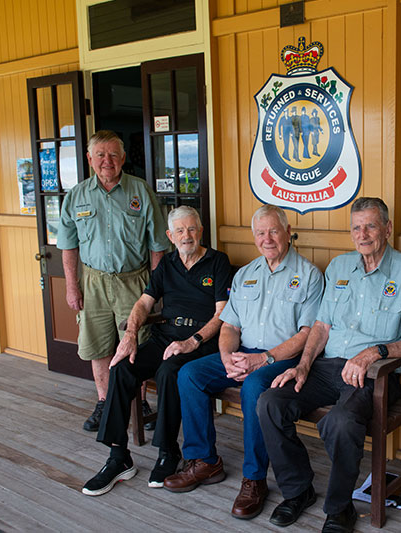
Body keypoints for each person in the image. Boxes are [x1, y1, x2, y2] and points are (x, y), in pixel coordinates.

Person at [257, 198, 401, 533]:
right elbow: (321, 326)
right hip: (327, 367)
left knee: (340, 422)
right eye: (356, 227)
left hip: (376, 376)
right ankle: (298, 491)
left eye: (370, 226)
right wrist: (303, 366)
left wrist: (375, 353)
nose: (362, 234)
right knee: (269, 403)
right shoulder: (339, 267)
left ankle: (339, 509)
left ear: (387, 229)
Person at [163, 205, 324, 520]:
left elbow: (308, 333)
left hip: (281, 357)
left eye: (274, 231)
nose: (268, 239)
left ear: (288, 232)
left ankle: (254, 479)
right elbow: (230, 326)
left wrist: (261, 359)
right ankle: (203, 461)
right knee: (190, 374)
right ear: (254, 237)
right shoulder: (247, 274)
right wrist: (226, 357)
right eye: (261, 233)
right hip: (243, 353)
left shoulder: (308, 275)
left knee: (253, 387)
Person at [81, 206, 232, 495]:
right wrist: (130, 335)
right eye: (180, 231)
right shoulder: (166, 265)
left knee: (168, 371)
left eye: (191, 229)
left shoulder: (217, 262)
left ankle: (168, 450)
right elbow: (143, 303)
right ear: (170, 236)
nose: (186, 235)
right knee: (121, 367)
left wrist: (192, 341)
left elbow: (222, 315)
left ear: (200, 231)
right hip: (165, 337)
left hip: (201, 342)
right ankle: (118, 456)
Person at [57, 130, 170, 432]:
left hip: (134, 280)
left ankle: (140, 401)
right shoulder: (76, 196)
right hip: (92, 282)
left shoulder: (140, 191)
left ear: (123, 158)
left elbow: (158, 245)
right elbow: (68, 246)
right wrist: (72, 286)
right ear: (89, 158)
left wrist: (154, 288)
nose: (107, 161)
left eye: (113, 155)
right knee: (98, 345)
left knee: (136, 343)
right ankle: (105, 402)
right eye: (100, 155)